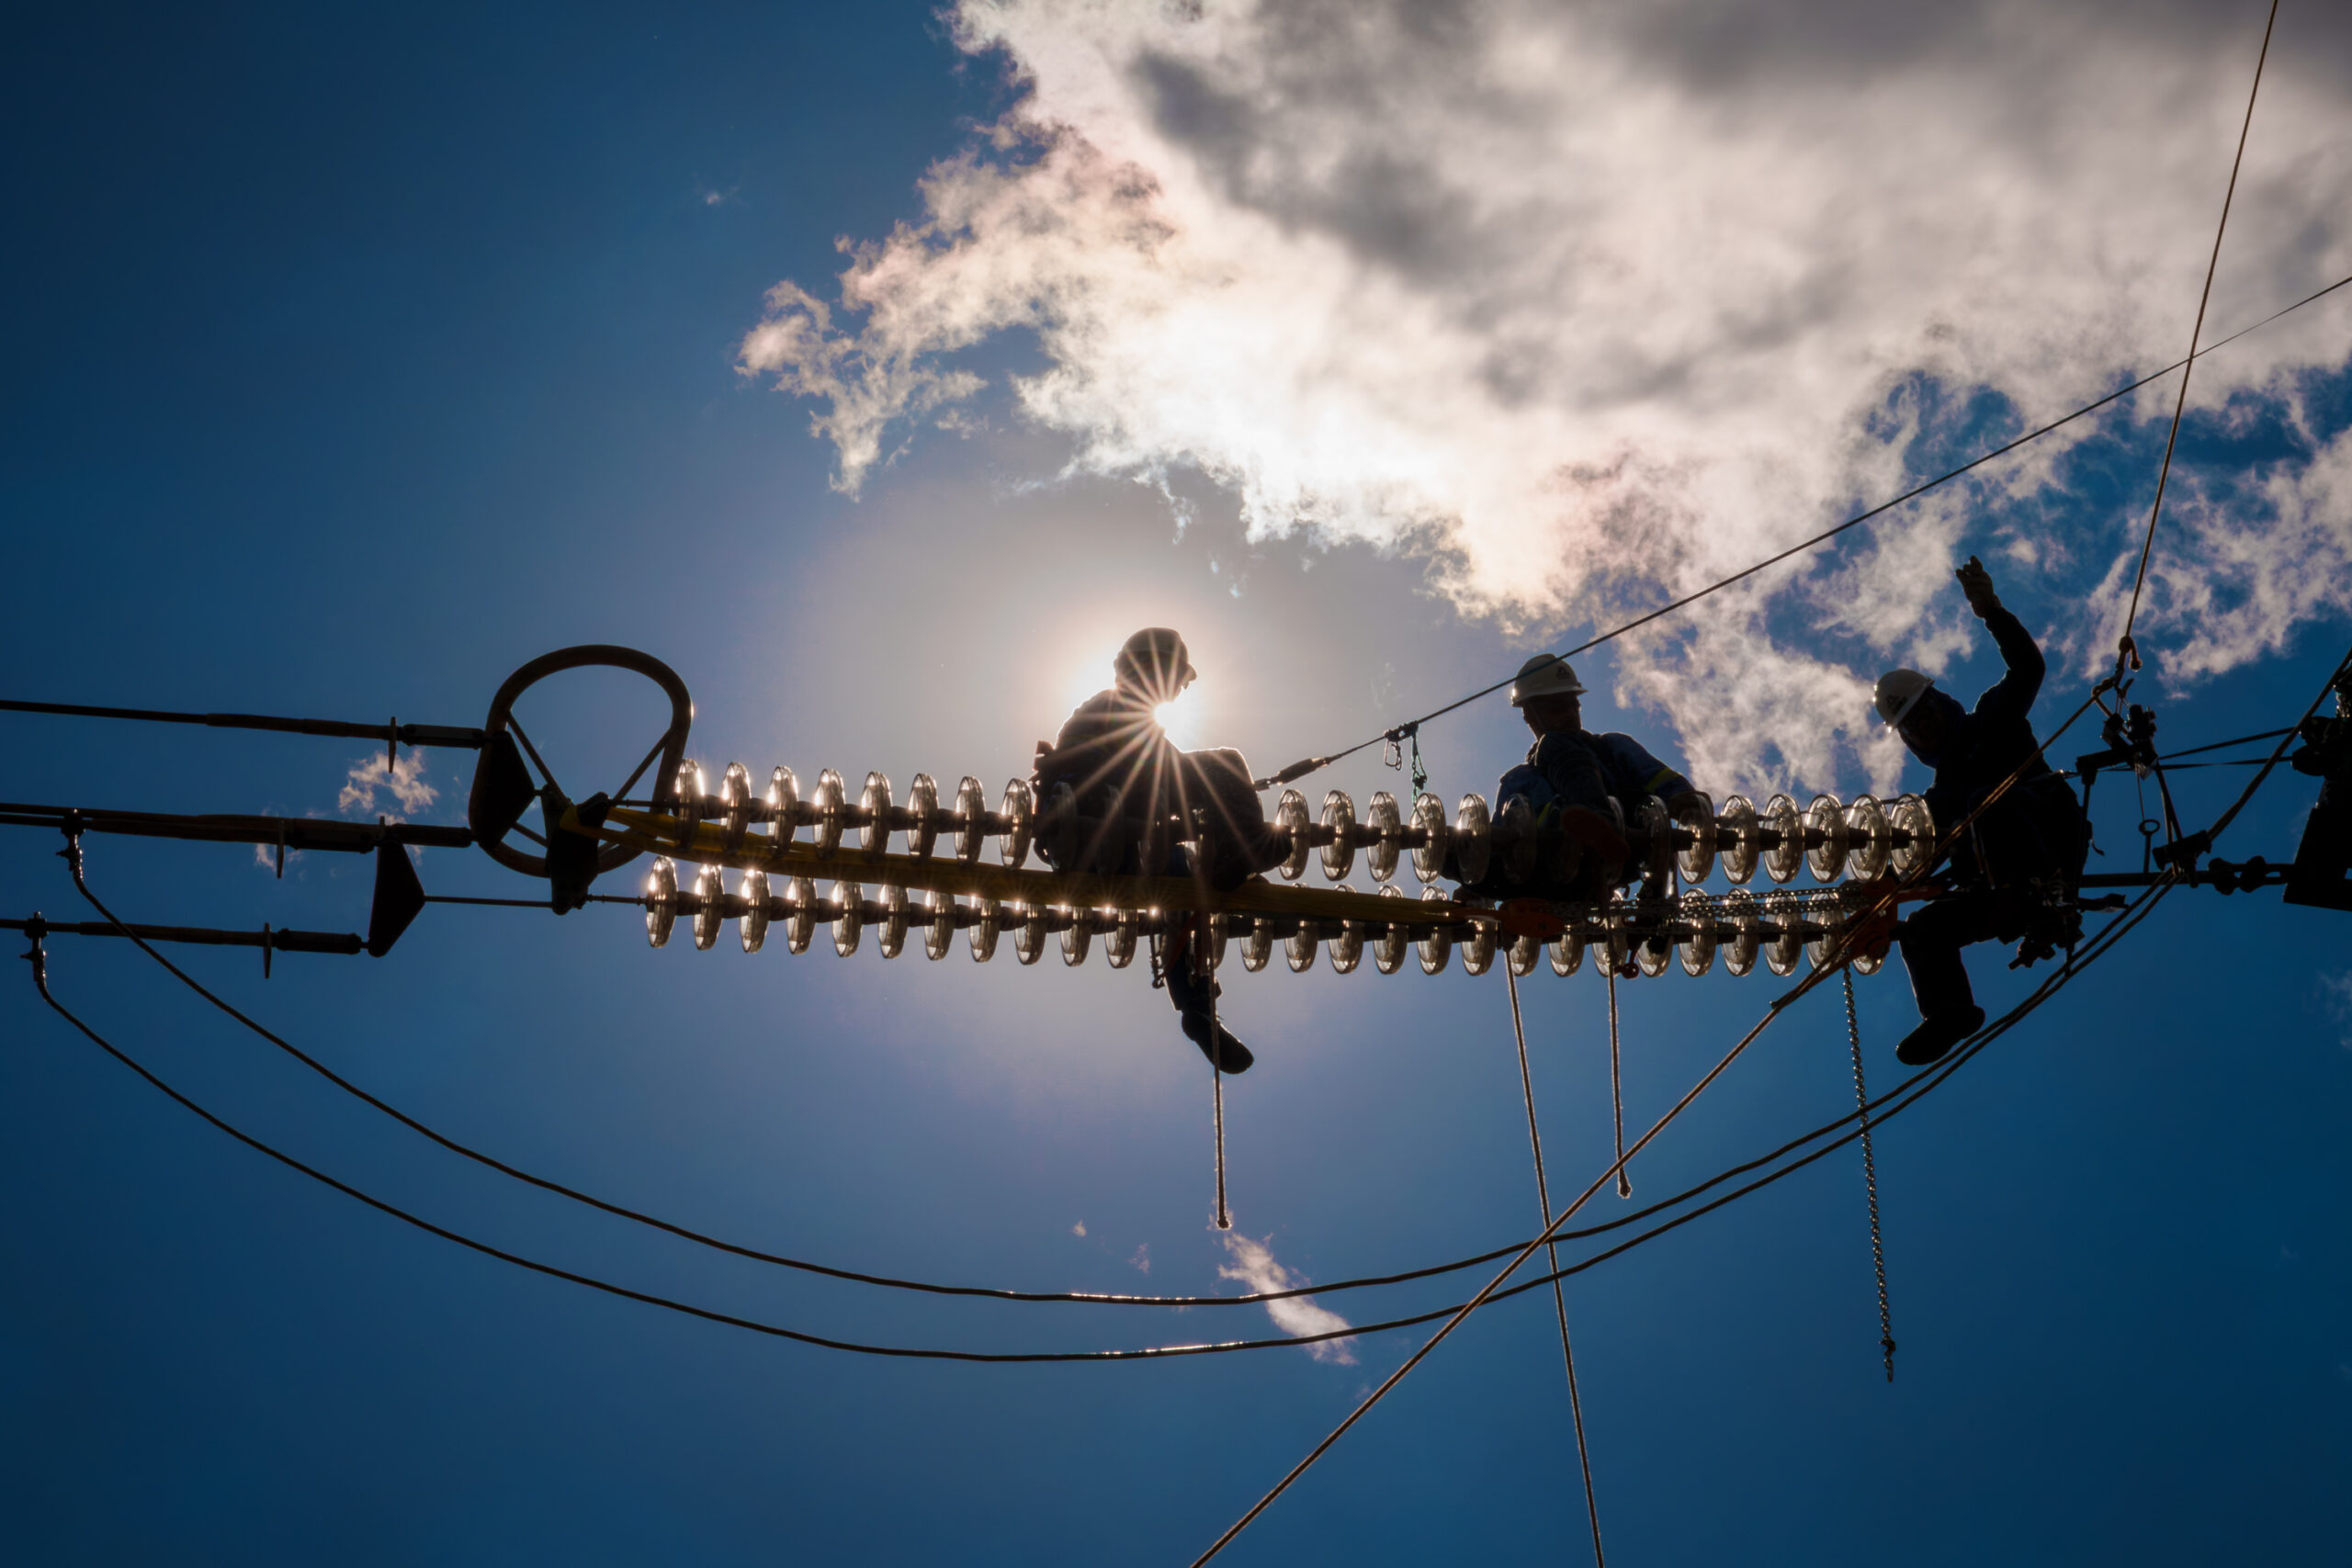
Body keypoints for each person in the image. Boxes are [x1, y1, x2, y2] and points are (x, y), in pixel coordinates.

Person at [1032, 628, 1283, 1072]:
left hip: (1116, 846)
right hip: (1098, 832)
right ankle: (1244, 848)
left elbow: (1158, 784)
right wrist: (1226, 797)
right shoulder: (1113, 710)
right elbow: (1154, 777)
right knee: (1225, 764)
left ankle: (1196, 1009)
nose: (1180, 690)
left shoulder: (1117, 715)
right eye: (1177, 680)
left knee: (1183, 879)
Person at [1876, 556, 2090, 1066]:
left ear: (1941, 701)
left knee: (1984, 805)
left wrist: (1990, 610)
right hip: (2001, 892)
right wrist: (1874, 888)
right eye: (1913, 727)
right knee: (1923, 927)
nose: (1924, 727)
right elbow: (1911, 861)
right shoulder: (1936, 801)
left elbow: (2027, 668)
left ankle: (2039, 899)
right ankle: (1948, 1013)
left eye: (1925, 713)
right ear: (1908, 740)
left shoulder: (1993, 718)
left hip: (2049, 843)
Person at [1491, 653, 1705, 900]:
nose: (1571, 714)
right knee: (1550, 748)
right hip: (1557, 870)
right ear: (1530, 715)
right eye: (1558, 707)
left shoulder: (1611, 748)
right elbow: (1498, 847)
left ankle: (1599, 826)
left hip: (1623, 850)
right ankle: (1577, 835)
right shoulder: (1518, 781)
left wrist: (1687, 804)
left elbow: (1665, 783)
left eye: (1574, 705)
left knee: (1552, 744)